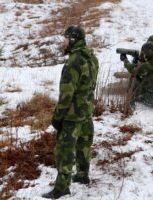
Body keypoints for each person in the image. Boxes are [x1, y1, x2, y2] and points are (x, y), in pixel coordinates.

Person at [42, 26, 99, 199]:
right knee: (83, 143)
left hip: (72, 114)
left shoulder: (74, 61)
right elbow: (91, 86)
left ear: (73, 39)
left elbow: (66, 94)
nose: (64, 42)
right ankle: (82, 174)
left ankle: (62, 187)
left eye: (66, 38)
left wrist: (58, 116)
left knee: (64, 150)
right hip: (86, 111)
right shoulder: (92, 58)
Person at [121, 42, 153, 108]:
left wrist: (125, 60)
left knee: (134, 99)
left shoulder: (150, 65)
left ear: (148, 52)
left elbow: (134, 71)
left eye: (144, 53)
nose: (143, 54)